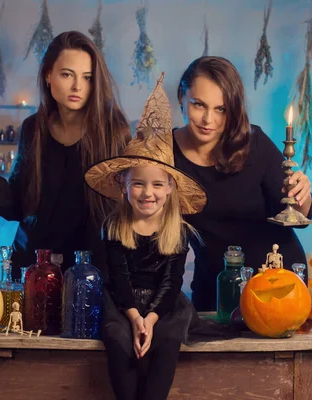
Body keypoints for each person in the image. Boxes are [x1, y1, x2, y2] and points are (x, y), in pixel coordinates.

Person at [0, 31, 130, 278]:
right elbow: (19, 206)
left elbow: (126, 213)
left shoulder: (113, 131)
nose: (77, 86)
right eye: (67, 74)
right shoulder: (33, 128)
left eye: (87, 77)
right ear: (48, 75)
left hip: (91, 271)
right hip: (34, 264)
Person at [85, 73, 207, 400]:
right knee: (117, 339)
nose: (147, 193)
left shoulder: (178, 231)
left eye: (157, 185)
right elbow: (118, 278)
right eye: (138, 183)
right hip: (124, 303)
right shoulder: (113, 227)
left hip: (163, 304)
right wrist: (135, 318)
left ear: (170, 188)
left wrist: (150, 319)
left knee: (168, 340)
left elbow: (171, 282)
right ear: (124, 186)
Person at [173, 56, 312, 311]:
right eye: (198, 105)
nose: (208, 119)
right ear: (182, 97)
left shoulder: (254, 142)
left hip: (277, 284)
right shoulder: (165, 154)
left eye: (221, 109)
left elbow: (300, 214)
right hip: (215, 288)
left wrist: (302, 193)